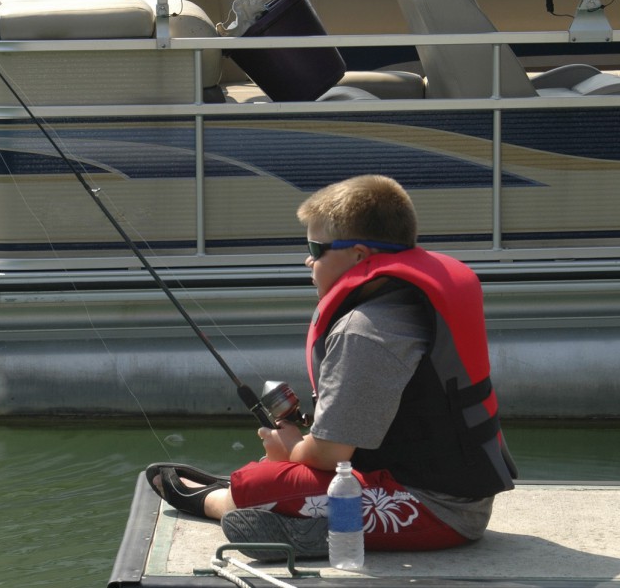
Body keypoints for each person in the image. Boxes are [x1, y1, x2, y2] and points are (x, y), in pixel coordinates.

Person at [145, 174, 516, 559]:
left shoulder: (364, 331)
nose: (308, 259)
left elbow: (330, 454)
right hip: (460, 498)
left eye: (315, 248)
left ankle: (222, 502)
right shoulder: (402, 305)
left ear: (358, 255)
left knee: (257, 483)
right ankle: (276, 507)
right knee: (277, 469)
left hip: (436, 511)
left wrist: (292, 450)